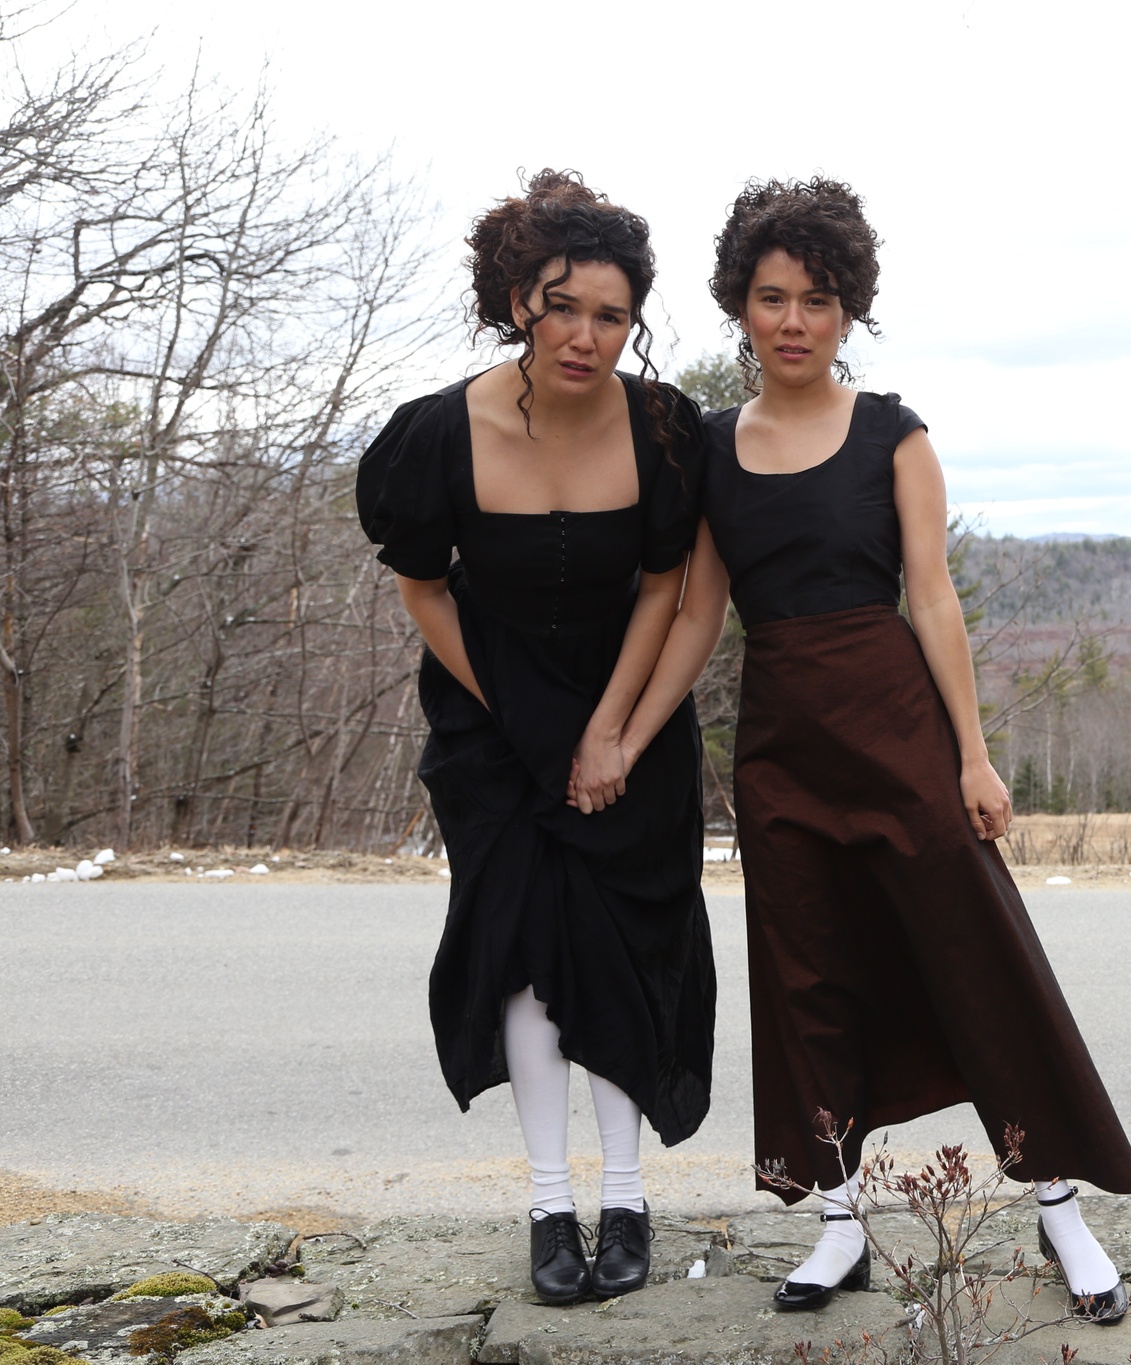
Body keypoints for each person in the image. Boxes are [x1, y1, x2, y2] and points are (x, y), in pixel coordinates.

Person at [614, 178, 1131, 1323]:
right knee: (805, 974)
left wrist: (973, 757)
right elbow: (698, 613)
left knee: (974, 953)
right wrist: (624, 733)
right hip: (779, 745)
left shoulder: (892, 434)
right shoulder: (707, 451)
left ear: (848, 309)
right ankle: (838, 1223)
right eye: (770, 298)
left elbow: (934, 598)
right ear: (739, 309)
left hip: (896, 729)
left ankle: (1058, 1205)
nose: (793, 320)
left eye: (817, 298)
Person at [356, 170, 714, 1306]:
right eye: (564, 308)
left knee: (619, 948)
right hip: (488, 716)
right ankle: (548, 1204)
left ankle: (627, 1198)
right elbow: (425, 592)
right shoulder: (430, 435)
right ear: (518, 300)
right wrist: (524, 726)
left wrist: (608, 732)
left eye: (611, 316)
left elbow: (666, 587)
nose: (587, 336)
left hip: (629, 709)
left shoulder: (662, 429)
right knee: (516, 952)